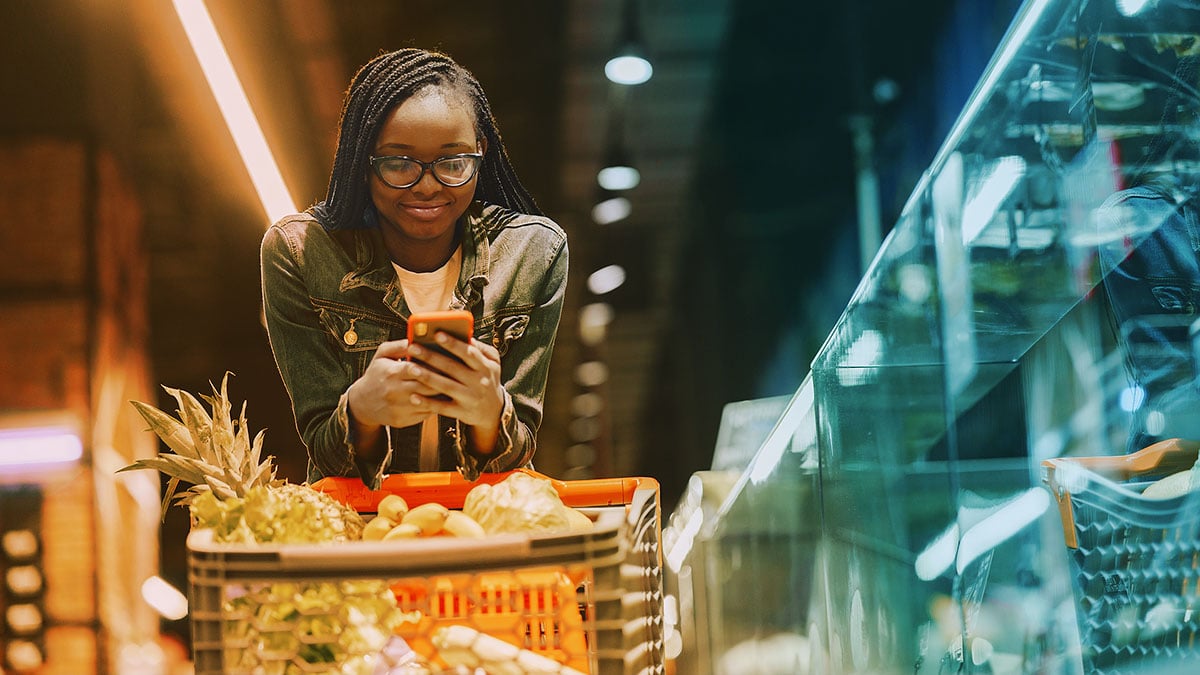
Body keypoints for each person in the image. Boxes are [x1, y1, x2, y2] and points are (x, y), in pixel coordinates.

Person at [260, 48, 568, 488]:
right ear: (361, 158)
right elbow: (327, 454)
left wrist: (488, 415)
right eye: (399, 163)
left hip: (485, 528)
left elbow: (517, 453)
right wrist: (361, 414)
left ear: (481, 152)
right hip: (363, 533)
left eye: (453, 163)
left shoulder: (533, 253)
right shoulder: (301, 254)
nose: (427, 186)